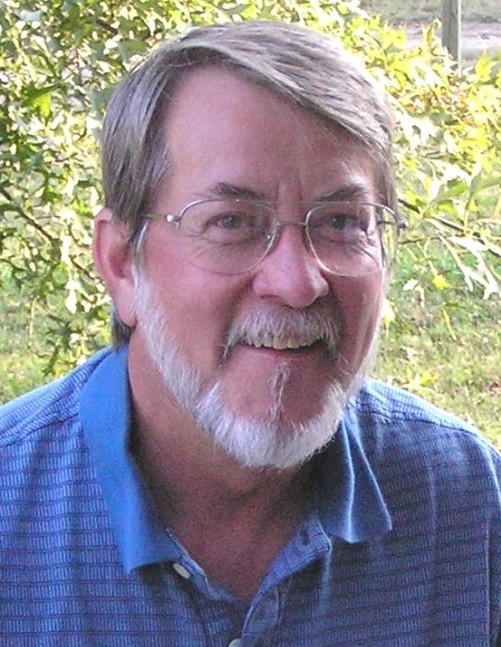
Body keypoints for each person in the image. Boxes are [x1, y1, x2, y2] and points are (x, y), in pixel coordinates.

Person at [0, 20, 499, 646]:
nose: (297, 283)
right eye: (232, 222)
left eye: (342, 222)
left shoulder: (467, 506)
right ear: (123, 264)